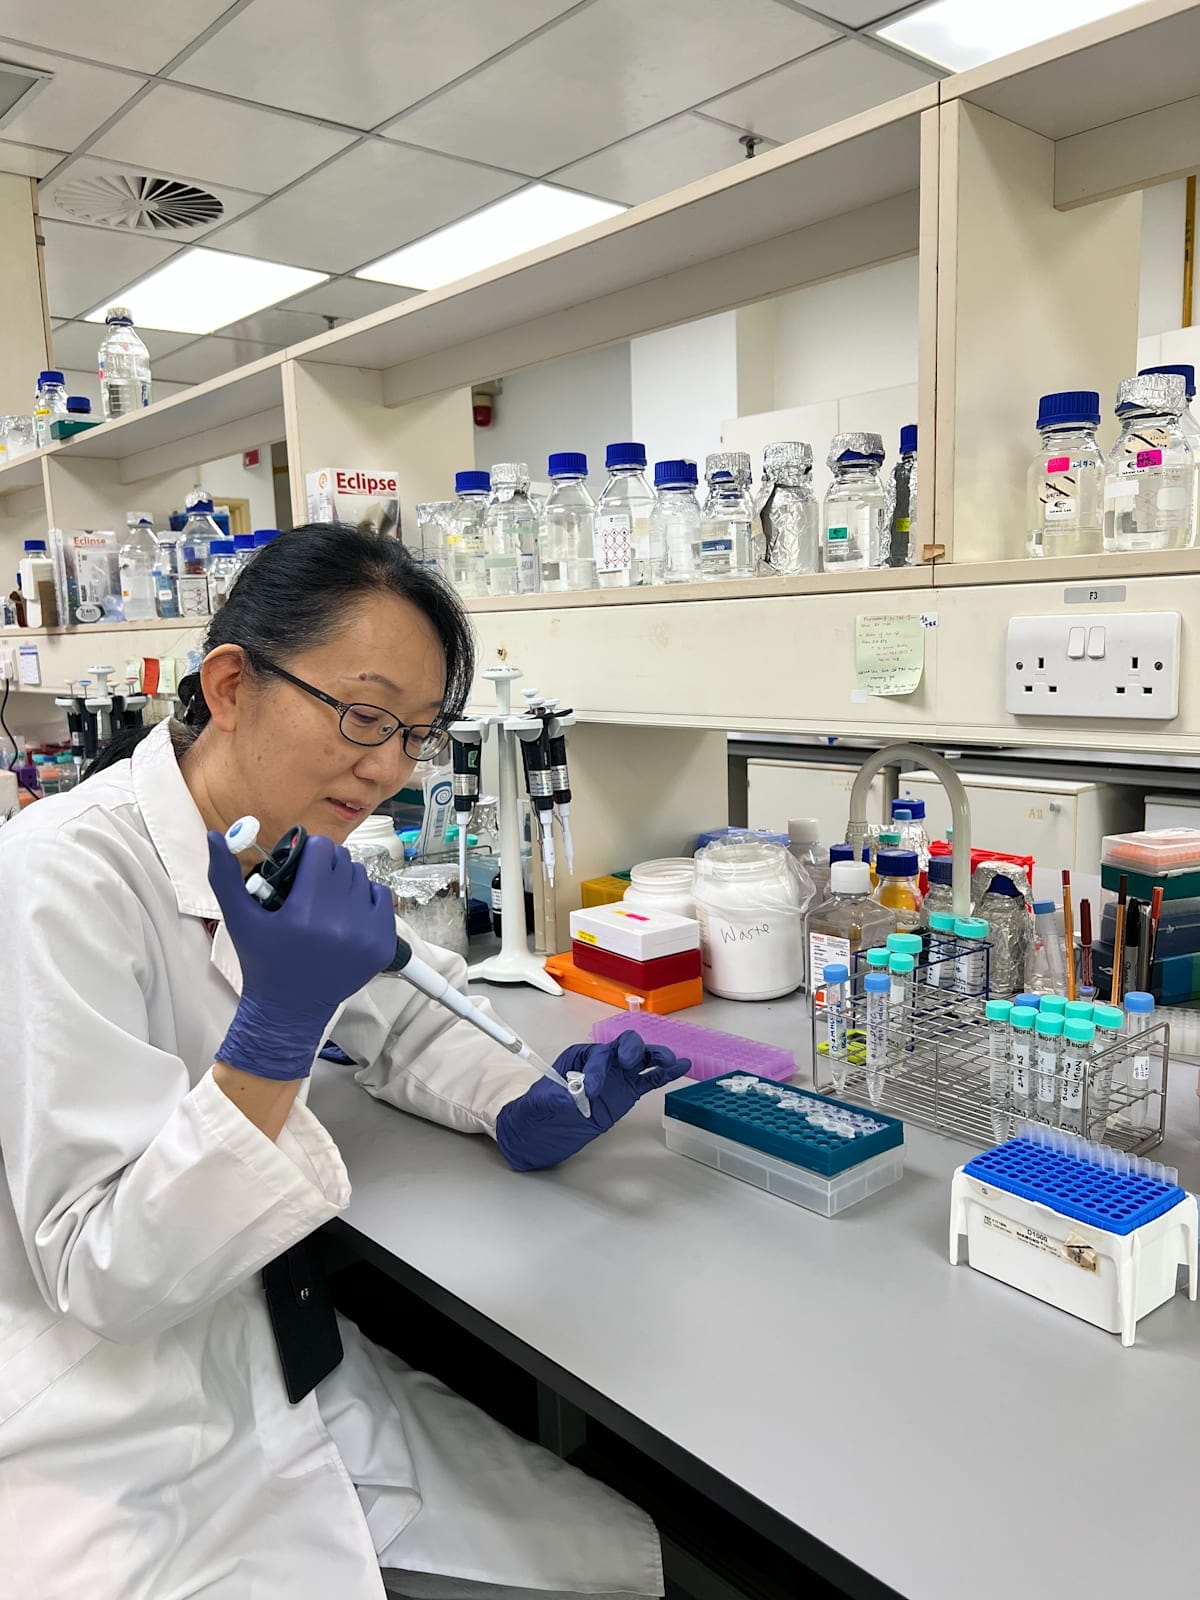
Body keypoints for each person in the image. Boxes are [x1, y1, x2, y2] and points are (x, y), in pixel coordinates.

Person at [0, 525, 689, 1600]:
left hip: (281, 1365)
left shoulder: (274, 842)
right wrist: (275, 1032)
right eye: (363, 716)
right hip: (111, 1426)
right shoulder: (57, 881)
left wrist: (522, 1097)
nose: (387, 766)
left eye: (415, 731)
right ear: (231, 685)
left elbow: (397, 1006)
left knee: (607, 1552)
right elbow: (104, 1270)